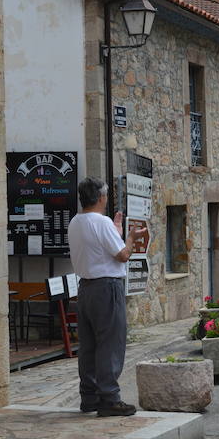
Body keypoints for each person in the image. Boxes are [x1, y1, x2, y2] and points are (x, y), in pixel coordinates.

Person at [68, 177, 148, 417]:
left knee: (89, 345)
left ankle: (89, 396)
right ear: (101, 198)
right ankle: (110, 398)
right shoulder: (101, 222)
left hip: (85, 288)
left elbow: (100, 249)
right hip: (107, 287)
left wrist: (116, 233)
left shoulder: (75, 222)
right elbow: (123, 255)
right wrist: (131, 238)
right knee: (111, 343)